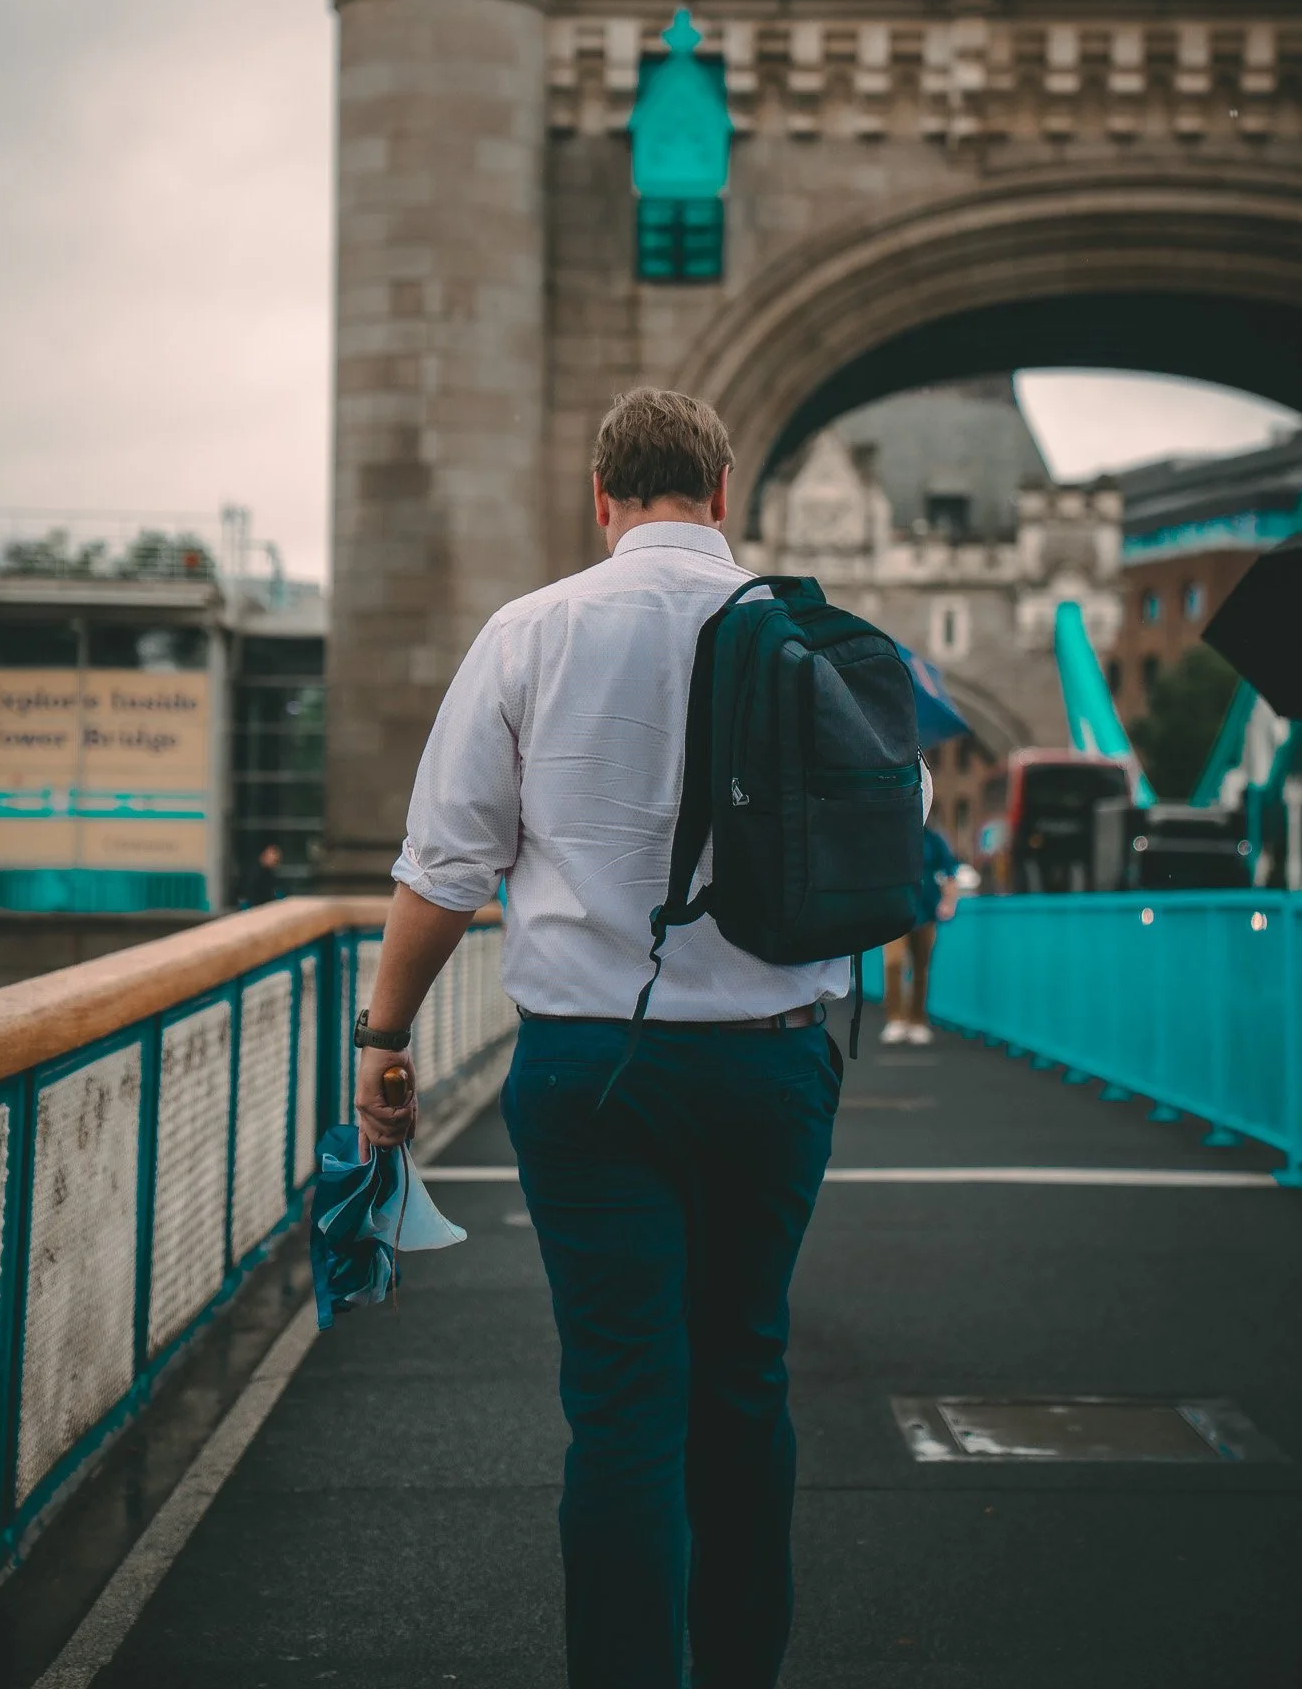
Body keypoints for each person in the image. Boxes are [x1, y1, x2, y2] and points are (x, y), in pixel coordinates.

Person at [353, 388, 927, 1689]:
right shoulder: (817, 644)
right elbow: (897, 820)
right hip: (777, 1058)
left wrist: (384, 1039)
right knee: (741, 1375)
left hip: (588, 1071)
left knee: (622, 1405)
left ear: (599, 501)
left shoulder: (529, 634)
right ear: (723, 493)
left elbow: (445, 871)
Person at [880, 817, 959, 1045]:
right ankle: (895, 1019)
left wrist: (948, 902)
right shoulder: (890, 839)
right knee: (893, 963)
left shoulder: (933, 839)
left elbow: (950, 873)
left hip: (925, 912)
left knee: (920, 968)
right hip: (895, 914)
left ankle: (916, 1021)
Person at [241, 841, 282, 907]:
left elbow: (277, 893)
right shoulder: (253, 872)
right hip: (253, 908)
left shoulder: (271, 875)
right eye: (274, 860)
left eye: (277, 861)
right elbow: (245, 893)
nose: (275, 864)